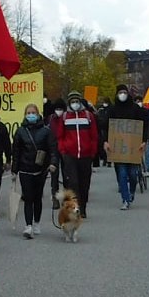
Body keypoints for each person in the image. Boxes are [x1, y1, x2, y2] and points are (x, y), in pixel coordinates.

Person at [10, 103, 58, 238]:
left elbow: (53, 149)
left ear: (38, 115)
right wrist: (14, 170)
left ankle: (36, 222)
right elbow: (16, 152)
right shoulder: (20, 131)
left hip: (40, 170)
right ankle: (28, 225)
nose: (31, 115)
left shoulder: (46, 131)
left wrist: (53, 163)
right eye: (28, 113)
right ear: (25, 115)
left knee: (37, 197)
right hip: (25, 169)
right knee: (28, 197)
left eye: (33, 113)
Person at [101, 84, 147, 211]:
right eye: (120, 92)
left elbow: (144, 124)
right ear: (116, 94)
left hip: (133, 148)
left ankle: (131, 191)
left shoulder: (135, 109)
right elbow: (104, 126)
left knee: (133, 174)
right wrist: (105, 141)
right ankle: (125, 199)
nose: (122, 94)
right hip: (118, 149)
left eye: (124, 92)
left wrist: (144, 140)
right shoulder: (112, 110)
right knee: (122, 174)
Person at [53, 90, 98, 218]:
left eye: (77, 101)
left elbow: (94, 136)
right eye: (72, 102)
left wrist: (93, 151)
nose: (75, 104)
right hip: (70, 155)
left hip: (86, 155)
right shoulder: (65, 117)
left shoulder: (88, 116)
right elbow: (60, 136)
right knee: (73, 183)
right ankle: (76, 207)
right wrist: (63, 150)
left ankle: (83, 207)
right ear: (69, 103)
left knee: (84, 183)